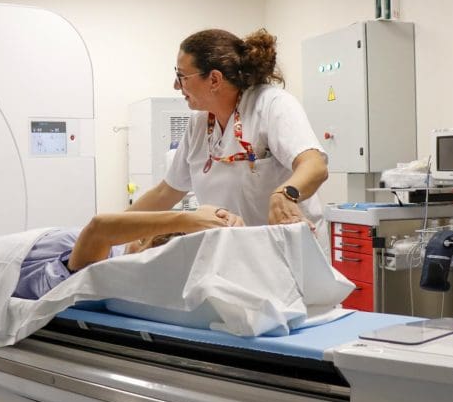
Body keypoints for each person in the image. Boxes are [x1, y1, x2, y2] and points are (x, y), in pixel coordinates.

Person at [128, 28, 330, 246]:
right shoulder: (198, 124)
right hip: (234, 252)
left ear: (214, 79)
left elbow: (314, 165)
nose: (176, 85)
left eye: (182, 76)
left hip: (286, 250)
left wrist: (285, 194)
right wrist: (112, 229)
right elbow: (165, 192)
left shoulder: (271, 105)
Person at [13, 204, 235, 300]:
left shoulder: (101, 267)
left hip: (5, 263)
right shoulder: (109, 253)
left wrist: (189, 219)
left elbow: (100, 228)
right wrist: (213, 214)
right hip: (6, 255)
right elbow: (103, 226)